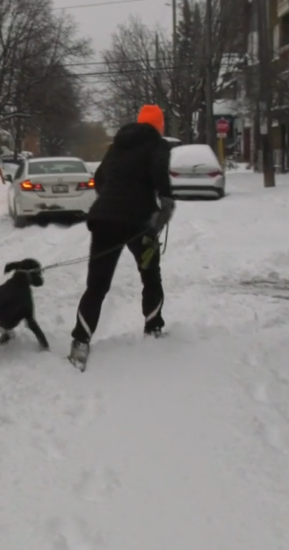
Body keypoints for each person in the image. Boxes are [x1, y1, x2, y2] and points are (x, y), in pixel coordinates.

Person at [68, 104, 176, 371]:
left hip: (105, 220)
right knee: (150, 276)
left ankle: (80, 342)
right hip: (140, 222)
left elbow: (99, 179)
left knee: (97, 285)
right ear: (159, 126)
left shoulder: (117, 145)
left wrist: (113, 200)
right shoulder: (157, 145)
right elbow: (160, 173)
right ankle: (153, 328)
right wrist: (165, 202)